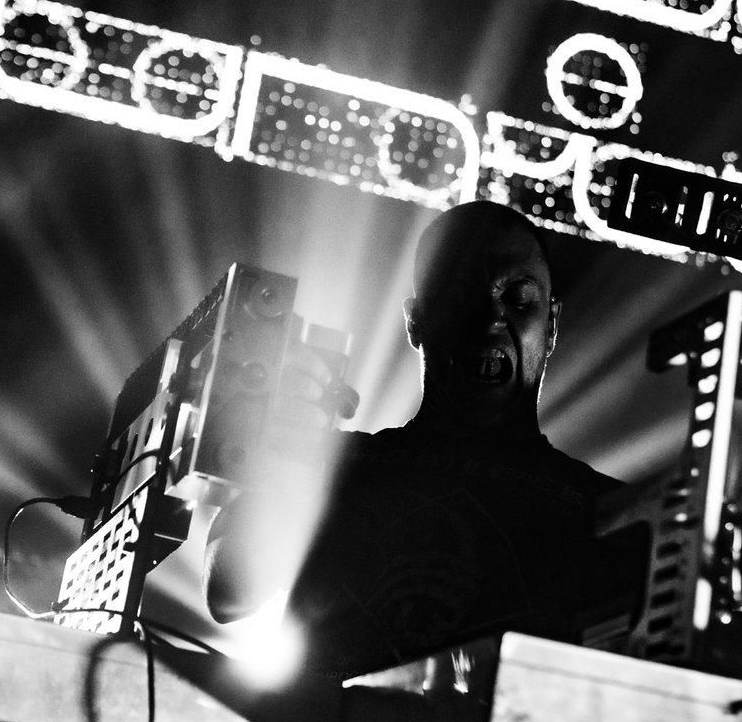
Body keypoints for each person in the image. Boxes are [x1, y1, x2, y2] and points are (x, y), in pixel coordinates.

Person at [205, 201, 630, 680]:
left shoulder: (609, 511)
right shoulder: (338, 466)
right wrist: (291, 452)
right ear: (415, 320)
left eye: (519, 299)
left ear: (550, 325)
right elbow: (231, 590)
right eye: (460, 295)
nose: (490, 319)